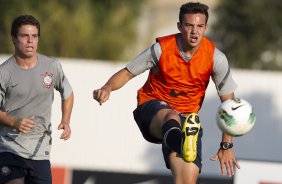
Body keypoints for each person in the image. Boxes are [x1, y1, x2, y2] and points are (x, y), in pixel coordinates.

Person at [93, 2, 239, 184]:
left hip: (187, 120)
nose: (194, 32)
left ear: (206, 27)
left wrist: (226, 144)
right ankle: (180, 139)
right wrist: (107, 88)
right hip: (153, 108)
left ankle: (184, 141)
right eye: (189, 26)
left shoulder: (216, 58)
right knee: (171, 116)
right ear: (179, 26)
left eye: (200, 26)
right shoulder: (161, 49)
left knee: (186, 180)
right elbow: (127, 72)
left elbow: (229, 105)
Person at [0, 15, 74, 184]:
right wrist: (14, 122)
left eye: (34, 36)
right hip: (10, 148)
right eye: (24, 36)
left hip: (39, 151)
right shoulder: (4, 72)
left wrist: (66, 120)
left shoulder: (51, 66)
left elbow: (68, 93)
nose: (30, 41)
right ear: (13, 38)